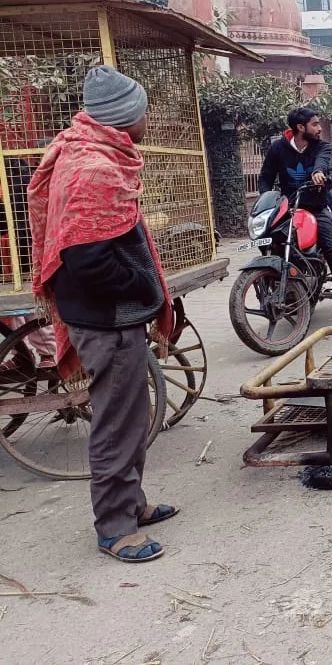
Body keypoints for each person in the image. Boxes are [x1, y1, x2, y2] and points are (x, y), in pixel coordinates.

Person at [28, 66, 178, 562]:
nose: (148, 119)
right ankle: (114, 527)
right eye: (143, 111)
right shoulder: (94, 168)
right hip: (105, 316)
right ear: (123, 119)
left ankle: (131, 504)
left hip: (108, 313)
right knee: (116, 422)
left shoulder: (90, 153)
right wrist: (141, 284)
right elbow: (88, 258)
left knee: (132, 416)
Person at [259, 107, 332, 326]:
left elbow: (322, 162)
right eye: (315, 124)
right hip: (288, 209)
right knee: (269, 244)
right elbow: (266, 177)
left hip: (316, 207)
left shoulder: (321, 146)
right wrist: (266, 200)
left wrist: (318, 173)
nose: (319, 128)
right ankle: (283, 291)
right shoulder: (278, 148)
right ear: (300, 127)